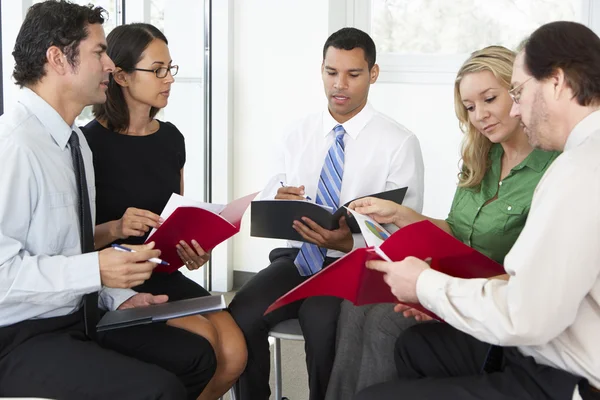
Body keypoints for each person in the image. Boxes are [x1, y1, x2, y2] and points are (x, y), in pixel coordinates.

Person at [355, 21, 600, 400]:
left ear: (556, 82)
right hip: (543, 337)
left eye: (516, 93)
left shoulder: (574, 169)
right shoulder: (572, 159)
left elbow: (525, 314)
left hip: (564, 371)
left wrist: (429, 287)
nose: (516, 110)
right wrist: (439, 289)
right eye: (471, 106)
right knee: (413, 346)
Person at [0, 2, 217, 399]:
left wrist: (119, 295)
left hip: (78, 313)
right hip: (19, 334)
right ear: (57, 59)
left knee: (198, 357)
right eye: (99, 52)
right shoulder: (13, 147)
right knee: (160, 389)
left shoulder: (75, 143)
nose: (108, 65)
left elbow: (69, 252)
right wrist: (96, 273)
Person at [228, 27, 425, 400]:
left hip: (353, 266)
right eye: (332, 72)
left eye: (353, 74)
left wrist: (347, 240)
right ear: (321, 70)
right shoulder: (296, 133)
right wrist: (278, 196)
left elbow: (404, 230)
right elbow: (271, 190)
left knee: (322, 324)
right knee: (240, 314)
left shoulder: (399, 142)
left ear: (374, 74)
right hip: (297, 259)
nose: (340, 84)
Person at [82, 22, 247, 400]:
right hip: (115, 279)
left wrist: (195, 251)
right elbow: (71, 240)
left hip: (161, 270)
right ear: (121, 76)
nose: (168, 79)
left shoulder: (171, 138)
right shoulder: (88, 145)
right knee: (205, 341)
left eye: (170, 68)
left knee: (235, 352)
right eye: (157, 70)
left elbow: (176, 216)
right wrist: (117, 226)